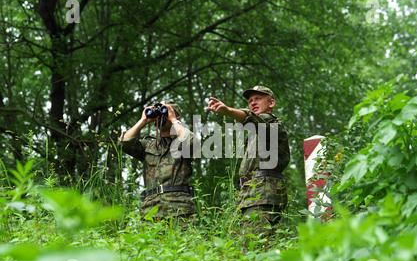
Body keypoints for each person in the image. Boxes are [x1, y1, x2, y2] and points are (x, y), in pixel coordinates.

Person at [206, 85, 290, 236]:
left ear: (271, 103)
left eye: (258, 99)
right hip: (250, 194)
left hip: (264, 195)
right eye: (250, 100)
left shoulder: (273, 125)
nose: (252, 103)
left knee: (258, 244)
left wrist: (228, 111)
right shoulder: (255, 132)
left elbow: (251, 119)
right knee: (247, 245)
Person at [118, 101, 197, 227]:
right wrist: (143, 120)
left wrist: (173, 120)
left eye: (166, 112)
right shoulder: (148, 146)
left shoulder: (182, 144)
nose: (162, 116)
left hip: (180, 210)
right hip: (151, 210)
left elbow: (191, 141)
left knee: (185, 246)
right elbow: (123, 143)